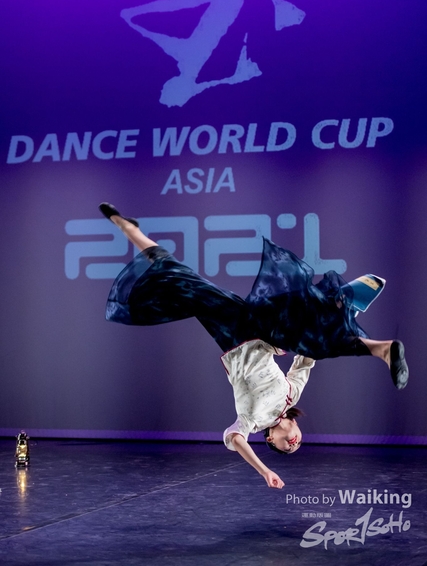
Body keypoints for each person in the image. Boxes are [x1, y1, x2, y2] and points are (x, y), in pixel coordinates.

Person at [99, 203, 409, 489]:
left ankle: (128, 228)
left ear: (270, 439)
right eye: (297, 445)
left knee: (175, 273)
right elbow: (306, 359)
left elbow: (234, 438)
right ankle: (372, 337)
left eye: (285, 447)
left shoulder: (252, 420)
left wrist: (264, 471)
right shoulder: (291, 395)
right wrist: (331, 321)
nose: (293, 444)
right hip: (264, 331)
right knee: (315, 341)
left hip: (234, 333)